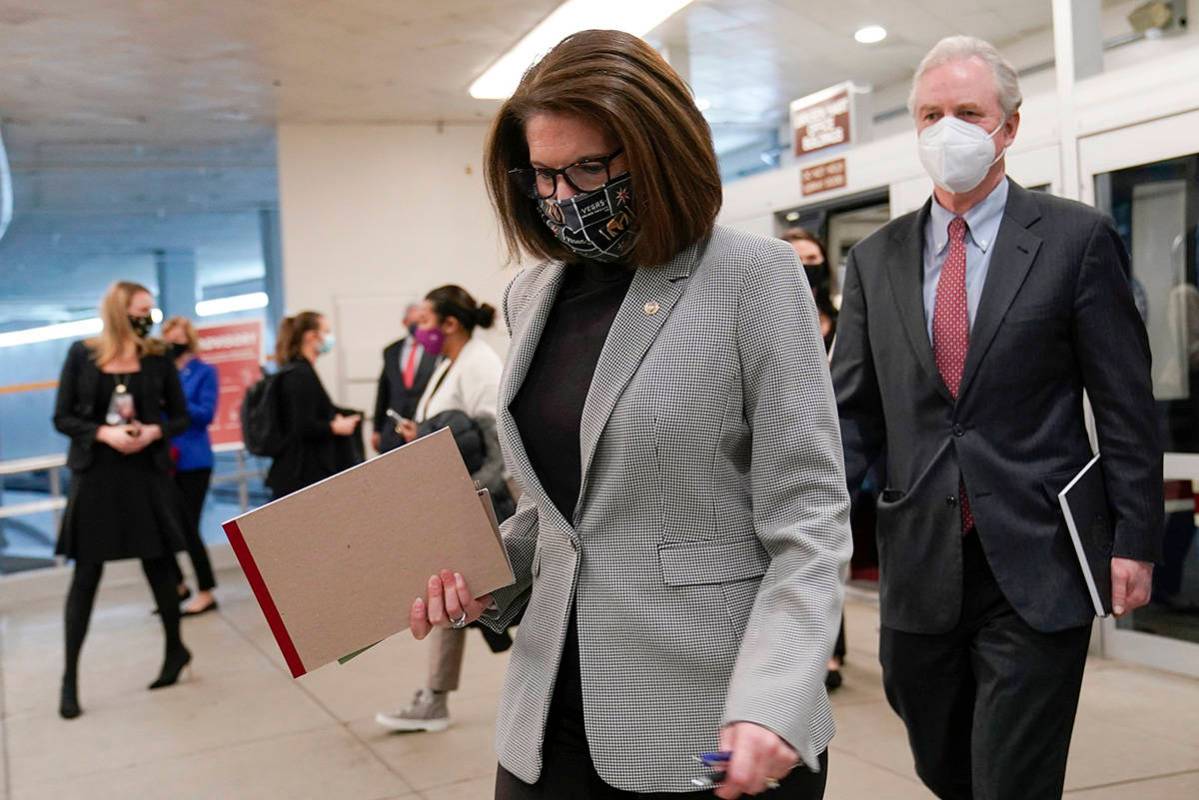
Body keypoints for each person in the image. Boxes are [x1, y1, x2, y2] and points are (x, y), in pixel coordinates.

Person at [408, 30, 851, 800]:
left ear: (656, 151)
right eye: (544, 175)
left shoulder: (753, 277)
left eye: (588, 168)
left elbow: (809, 516)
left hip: (712, 718)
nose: (564, 199)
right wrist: (485, 577)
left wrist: (773, 700)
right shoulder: (531, 296)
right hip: (547, 710)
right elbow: (560, 515)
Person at [830, 36, 1163, 799]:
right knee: (944, 767)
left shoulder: (1073, 240)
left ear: (1007, 127)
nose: (946, 128)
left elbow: (1124, 405)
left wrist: (1135, 538)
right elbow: (849, 416)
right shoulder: (875, 260)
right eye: (930, 114)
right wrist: (808, 536)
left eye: (967, 112)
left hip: (1037, 557)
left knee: (1011, 779)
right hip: (917, 561)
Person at [53, 281, 194, 719]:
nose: (148, 317)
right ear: (119, 311)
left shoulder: (157, 357)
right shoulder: (83, 354)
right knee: (86, 575)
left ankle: (175, 650)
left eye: (151, 310)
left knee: (159, 565)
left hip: (144, 474)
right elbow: (62, 416)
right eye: (141, 310)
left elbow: (182, 416)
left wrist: (153, 431)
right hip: (97, 473)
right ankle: (69, 677)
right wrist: (104, 432)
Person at [376, 285, 505, 733]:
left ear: (450, 323)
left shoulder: (480, 365)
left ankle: (435, 699)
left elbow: (499, 450)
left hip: (483, 504)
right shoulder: (449, 364)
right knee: (451, 593)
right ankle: (434, 698)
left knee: (508, 601)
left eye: (427, 320)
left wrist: (472, 497)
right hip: (455, 500)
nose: (420, 329)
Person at [781, 229, 847, 691]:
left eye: (813, 257)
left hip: (843, 441)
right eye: (797, 259)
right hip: (793, 441)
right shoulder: (774, 309)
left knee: (830, 544)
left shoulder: (840, 316)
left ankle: (833, 650)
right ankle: (811, 651)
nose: (808, 266)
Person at [264, 311, 362, 499]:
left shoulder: (300, 370)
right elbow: (302, 425)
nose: (330, 337)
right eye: (326, 331)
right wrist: (335, 426)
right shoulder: (300, 374)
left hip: (302, 470)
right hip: (302, 474)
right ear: (311, 336)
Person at [160, 316, 220, 616]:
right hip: (165, 461)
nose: (173, 344)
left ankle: (206, 590)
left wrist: (172, 397)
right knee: (163, 528)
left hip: (194, 460)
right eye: (168, 338)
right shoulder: (160, 373)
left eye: (178, 338)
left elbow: (206, 413)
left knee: (188, 528)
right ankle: (178, 585)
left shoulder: (205, 372)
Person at [372, 303, 440, 454]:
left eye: (421, 322)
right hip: (392, 431)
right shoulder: (391, 351)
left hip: (422, 428)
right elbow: (383, 391)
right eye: (414, 322)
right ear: (405, 323)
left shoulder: (435, 350)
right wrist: (377, 428)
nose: (418, 327)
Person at [781, 228, 838, 349]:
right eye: (797, 259)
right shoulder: (772, 323)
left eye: (812, 258)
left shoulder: (839, 319)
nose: (805, 265)